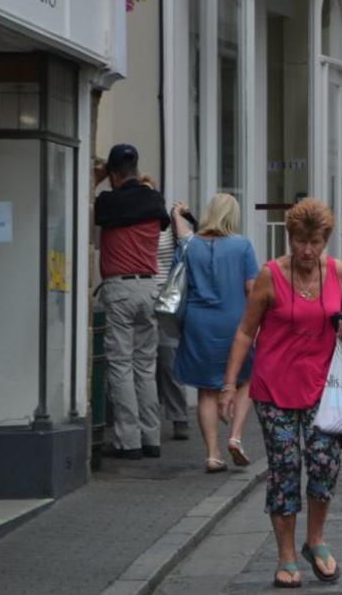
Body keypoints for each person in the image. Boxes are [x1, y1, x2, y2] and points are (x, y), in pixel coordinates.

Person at [220, 199, 342, 588]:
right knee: (284, 466)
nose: (307, 251)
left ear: (325, 239)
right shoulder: (270, 276)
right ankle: (286, 554)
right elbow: (246, 331)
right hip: (274, 388)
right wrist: (230, 385)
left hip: (322, 387)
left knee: (324, 462)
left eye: (315, 242)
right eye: (300, 241)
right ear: (289, 237)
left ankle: (315, 540)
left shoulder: (337, 272)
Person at [173, 194, 260, 472]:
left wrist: (178, 214)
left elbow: (179, 273)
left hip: (198, 323)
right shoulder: (242, 246)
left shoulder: (190, 246)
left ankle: (212, 454)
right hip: (235, 322)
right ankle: (235, 436)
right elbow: (251, 290)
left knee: (206, 390)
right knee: (246, 379)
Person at [95, 144, 171, 459]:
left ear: (113, 174)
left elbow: (76, 201)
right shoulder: (154, 200)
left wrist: (94, 178)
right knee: (144, 365)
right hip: (149, 287)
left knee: (121, 365)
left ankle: (129, 442)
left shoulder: (108, 202)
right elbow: (161, 216)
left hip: (120, 290)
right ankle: (152, 437)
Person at [155, 192, 195, 443]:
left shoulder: (171, 229)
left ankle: (180, 417)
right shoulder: (138, 226)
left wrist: (181, 216)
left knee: (169, 358)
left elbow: (195, 241)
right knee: (148, 361)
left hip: (168, 299)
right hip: (147, 292)